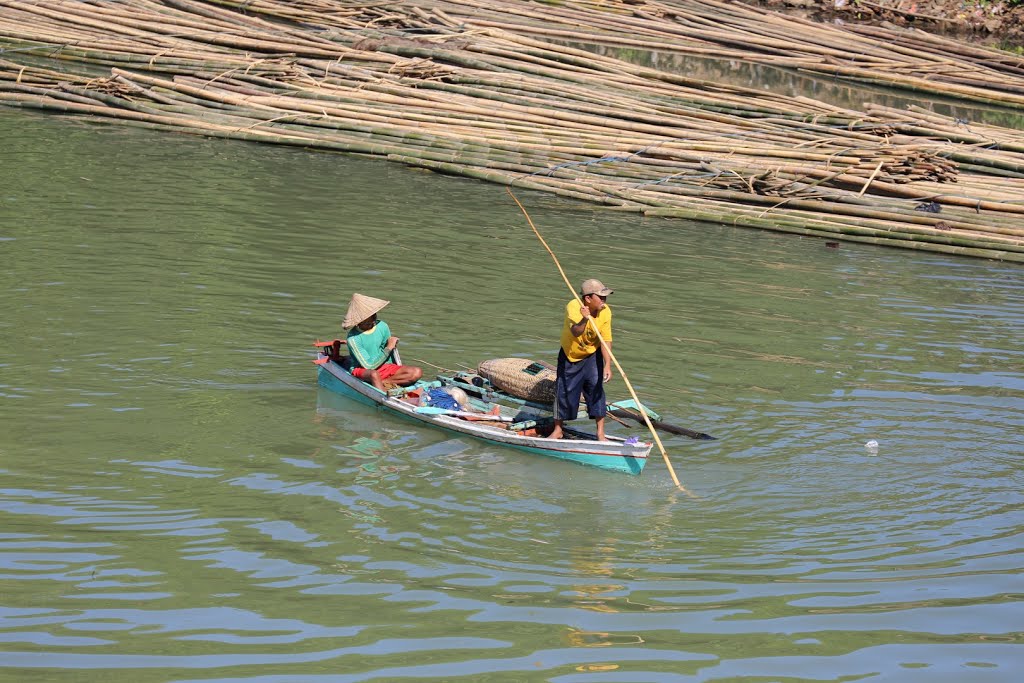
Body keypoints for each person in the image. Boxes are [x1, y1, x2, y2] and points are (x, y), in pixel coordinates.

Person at [549, 278, 613, 441]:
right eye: (601, 297)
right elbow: (576, 332)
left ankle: (600, 433)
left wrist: (608, 365)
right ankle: (558, 430)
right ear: (588, 298)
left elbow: (606, 340)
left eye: (605, 297)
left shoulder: (606, 312)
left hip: (592, 355)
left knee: (596, 390)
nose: (604, 301)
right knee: (564, 390)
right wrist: (585, 318)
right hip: (570, 355)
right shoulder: (574, 306)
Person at [343, 293, 423, 391]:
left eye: (373, 318)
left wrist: (397, 368)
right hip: (363, 369)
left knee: (416, 372)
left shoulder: (382, 326)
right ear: (358, 322)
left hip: (384, 366)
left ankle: (385, 382)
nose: (371, 322)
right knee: (374, 374)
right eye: (367, 321)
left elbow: (390, 355)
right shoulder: (353, 339)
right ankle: (383, 395)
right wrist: (389, 347)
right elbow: (369, 365)